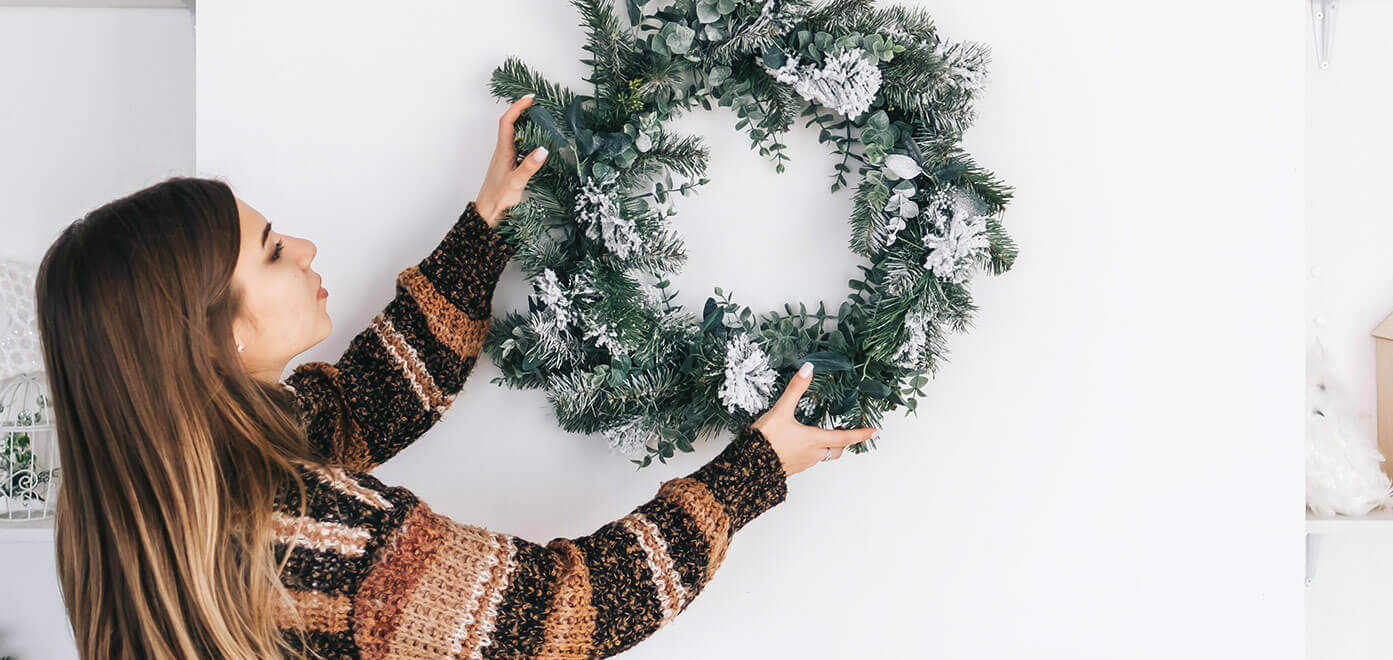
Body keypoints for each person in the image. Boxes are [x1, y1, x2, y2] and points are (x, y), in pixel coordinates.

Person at [33, 93, 878, 659]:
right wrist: (753, 469)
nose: (307, 251)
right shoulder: (318, 540)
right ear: (211, 332)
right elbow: (564, 612)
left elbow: (368, 399)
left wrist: (486, 227)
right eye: (273, 251)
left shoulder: (151, 498)